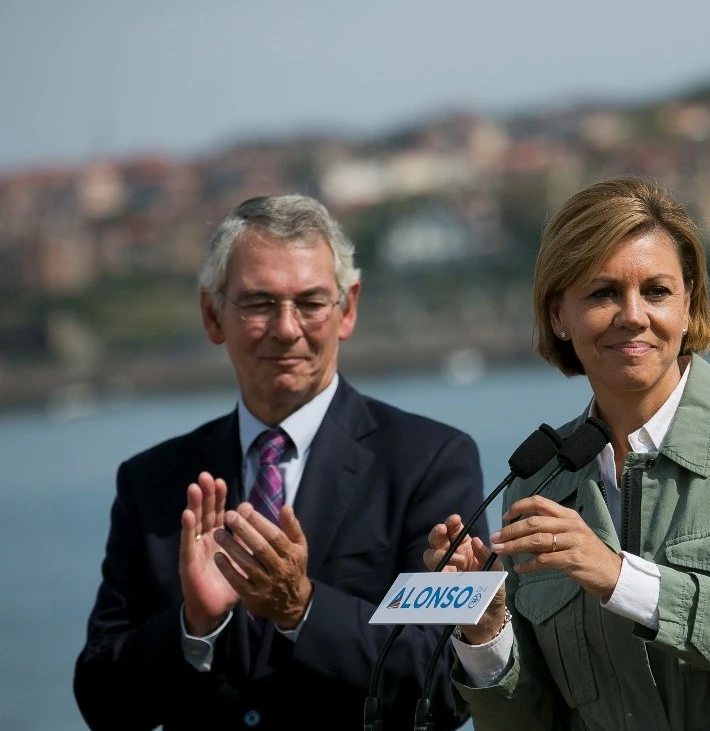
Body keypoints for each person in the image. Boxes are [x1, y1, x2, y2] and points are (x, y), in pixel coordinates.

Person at [426, 177, 710, 730]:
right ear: (559, 316)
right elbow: (532, 722)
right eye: (602, 293)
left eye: (656, 291)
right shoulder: (538, 482)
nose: (633, 315)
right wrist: (485, 631)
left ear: (688, 301)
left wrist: (618, 577)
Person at [74, 195, 485, 731]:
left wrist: (303, 609)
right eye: (259, 304)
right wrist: (193, 626)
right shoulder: (150, 482)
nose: (286, 328)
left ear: (348, 308)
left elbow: (445, 682)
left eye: (311, 302)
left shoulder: (431, 463)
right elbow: (101, 701)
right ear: (211, 313)